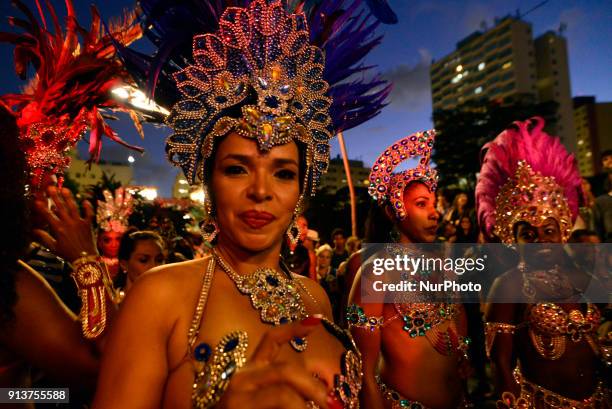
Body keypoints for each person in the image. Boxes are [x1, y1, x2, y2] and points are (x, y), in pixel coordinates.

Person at [93, 0, 393, 407]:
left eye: (283, 173)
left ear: (301, 188)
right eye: (237, 169)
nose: (261, 191)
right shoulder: (160, 297)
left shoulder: (314, 297)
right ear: (209, 179)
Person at [476, 117, 608, 408]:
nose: (540, 240)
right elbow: (500, 359)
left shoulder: (580, 275)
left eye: (548, 231)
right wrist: (510, 395)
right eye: (528, 234)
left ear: (562, 231)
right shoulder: (509, 284)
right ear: (513, 240)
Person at [348, 130, 470, 409]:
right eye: (420, 204)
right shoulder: (376, 272)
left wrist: (463, 352)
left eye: (433, 203)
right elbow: (363, 367)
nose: (434, 212)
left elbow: (458, 315)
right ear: (394, 213)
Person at [96, 188, 134, 280]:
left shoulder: (131, 264)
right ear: (99, 242)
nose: (114, 244)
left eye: (118, 239)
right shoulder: (93, 265)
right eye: (107, 240)